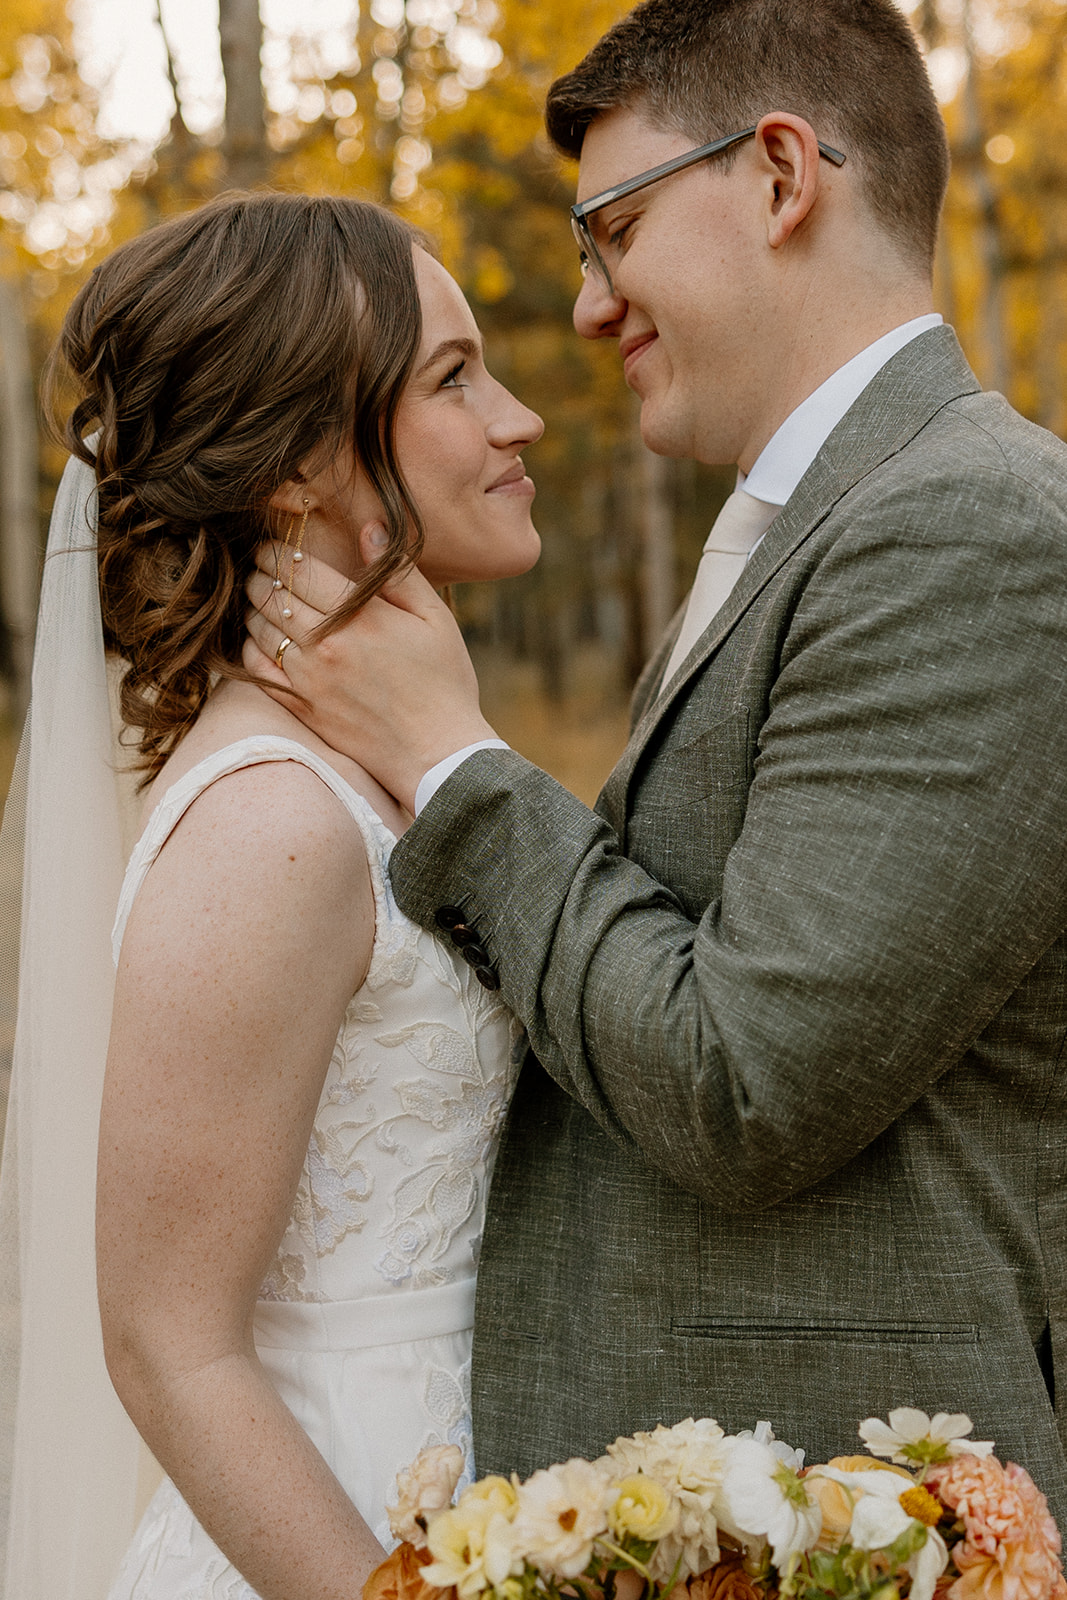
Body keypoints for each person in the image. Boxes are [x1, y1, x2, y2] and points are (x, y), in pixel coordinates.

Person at [243, 0, 1067, 1529]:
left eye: (610, 230)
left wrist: (452, 758)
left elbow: (744, 1081)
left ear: (775, 176)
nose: (591, 304)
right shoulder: (807, 528)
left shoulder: (977, 527)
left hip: (857, 1518)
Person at [0, 191, 543, 1600]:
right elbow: (167, 1345)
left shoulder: (373, 769)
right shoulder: (273, 825)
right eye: (454, 379)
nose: (521, 419)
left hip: (471, 1498)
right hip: (334, 1532)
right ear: (302, 463)